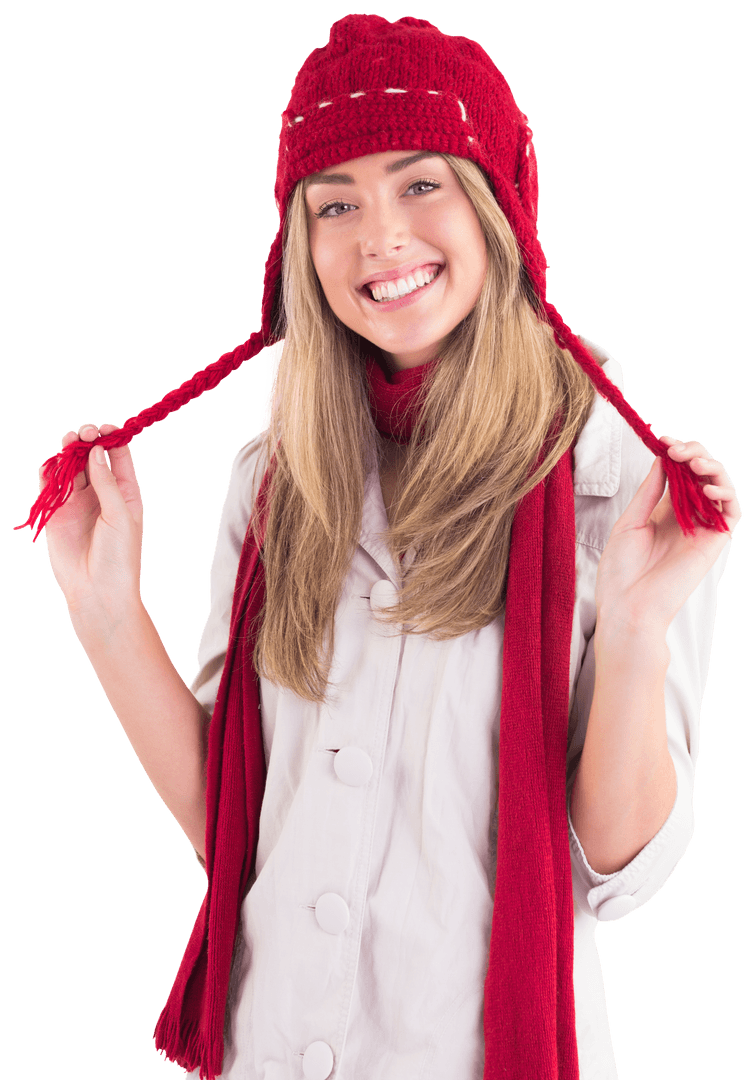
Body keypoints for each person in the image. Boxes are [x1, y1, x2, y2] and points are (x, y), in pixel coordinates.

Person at [23, 14, 740, 1080]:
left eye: (419, 184)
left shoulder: (617, 483)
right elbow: (237, 825)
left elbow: (617, 867)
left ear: (497, 205)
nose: (377, 238)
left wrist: (635, 628)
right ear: (297, 245)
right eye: (334, 203)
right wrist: (105, 611)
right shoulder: (273, 474)